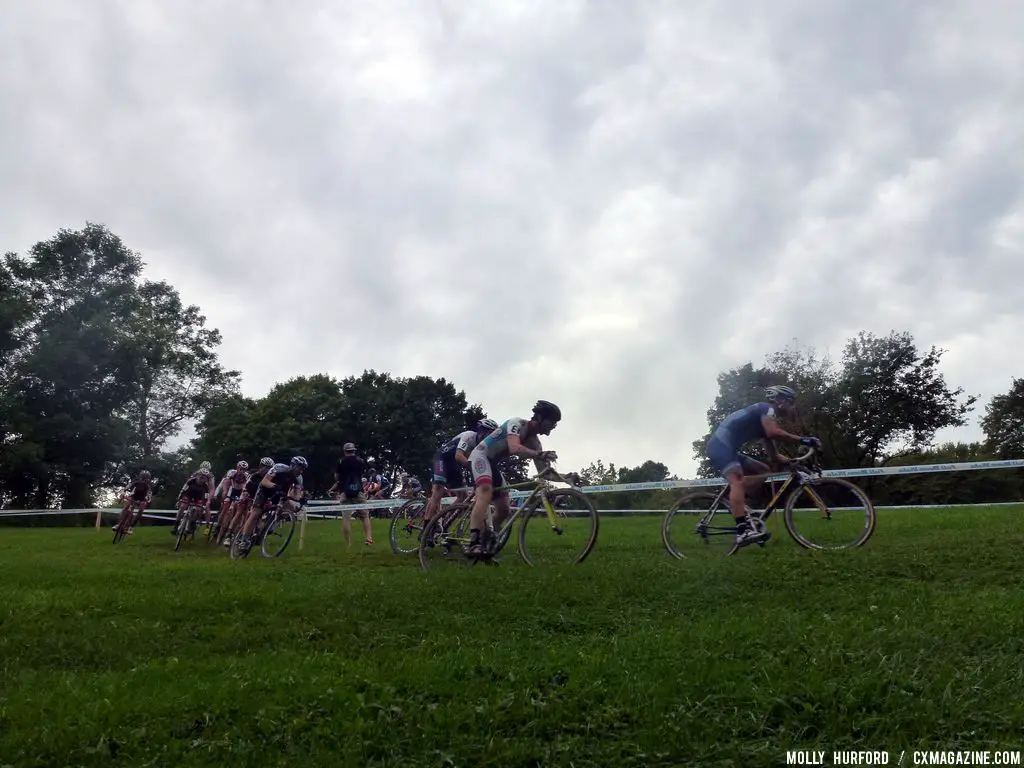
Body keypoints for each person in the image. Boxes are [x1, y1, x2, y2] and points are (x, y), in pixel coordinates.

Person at [704, 384, 821, 548]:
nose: (792, 407)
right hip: (720, 446)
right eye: (791, 402)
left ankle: (741, 506)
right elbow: (775, 433)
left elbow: (774, 456)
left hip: (727, 448)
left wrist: (792, 462)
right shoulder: (767, 409)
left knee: (763, 470)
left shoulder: (765, 423)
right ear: (780, 400)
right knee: (737, 479)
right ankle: (742, 530)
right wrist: (804, 440)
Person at [466, 403, 560, 556]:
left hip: (492, 464)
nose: (553, 427)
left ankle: (487, 543)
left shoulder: (534, 442)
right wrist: (538, 454)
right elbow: (514, 447)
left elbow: (545, 473)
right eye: (552, 422)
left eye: (555, 424)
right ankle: (474, 543)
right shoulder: (517, 424)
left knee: (504, 510)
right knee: (485, 492)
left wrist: (567, 478)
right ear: (540, 417)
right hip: (480, 456)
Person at [423, 418, 499, 525]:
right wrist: (475, 467)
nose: (491, 437)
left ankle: (445, 523)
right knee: (438, 491)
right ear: (483, 431)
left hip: (454, 465)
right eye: (490, 433)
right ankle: (427, 526)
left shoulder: (484, 446)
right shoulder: (469, 436)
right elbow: (459, 456)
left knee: (463, 497)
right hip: (442, 459)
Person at [235, 456, 308, 553]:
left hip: (280, 492)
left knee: (288, 506)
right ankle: (244, 540)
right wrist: (274, 486)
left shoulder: (299, 478)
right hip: (265, 490)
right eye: (300, 468)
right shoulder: (279, 468)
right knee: (256, 513)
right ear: (293, 465)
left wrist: (299, 501)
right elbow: (264, 481)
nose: (301, 471)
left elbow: (296, 495)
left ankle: (272, 524)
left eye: (303, 469)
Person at [331, 442, 373, 547]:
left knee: (346, 518)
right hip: (359, 491)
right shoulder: (360, 461)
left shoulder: (340, 461)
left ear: (345, 451)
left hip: (344, 492)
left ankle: (348, 543)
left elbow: (336, 477)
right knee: (365, 516)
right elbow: (362, 474)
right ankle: (368, 538)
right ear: (354, 450)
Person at [173, 464, 215, 535]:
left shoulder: (206, 486)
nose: (201, 478)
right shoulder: (191, 481)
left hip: (199, 496)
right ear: (197, 475)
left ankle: (193, 523)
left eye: (204, 477)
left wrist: (206, 503)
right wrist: (179, 498)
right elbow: (183, 489)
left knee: (198, 509)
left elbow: (207, 495)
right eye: (200, 476)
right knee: (183, 506)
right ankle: (176, 525)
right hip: (188, 493)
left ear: (206, 479)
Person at [113, 469, 153, 534]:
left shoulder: (148, 485)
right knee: (126, 508)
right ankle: (118, 524)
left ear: (148, 478)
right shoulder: (136, 481)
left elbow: (149, 493)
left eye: (145, 477)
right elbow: (129, 486)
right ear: (140, 476)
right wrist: (123, 491)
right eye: (143, 477)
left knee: (140, 511)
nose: (144, 479)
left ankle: (131, 527)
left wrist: (148, 500)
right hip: (134, 496)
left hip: (142, 499)